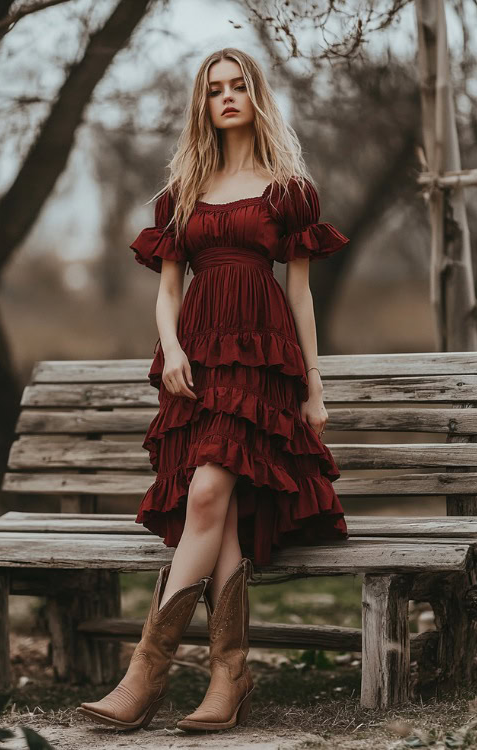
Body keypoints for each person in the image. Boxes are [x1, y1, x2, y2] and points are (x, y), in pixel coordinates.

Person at [77, 47, 350, 734]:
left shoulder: (289, 190)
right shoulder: (183, 192)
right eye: (214, 90)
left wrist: (314, 388)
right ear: (202, 104)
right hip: (197, 361)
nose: (226, 98)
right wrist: (169, 349)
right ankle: (229, 675)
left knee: (205, 493)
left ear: (256, 95)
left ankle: (145, 672)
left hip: (260, 362)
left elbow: (302, 298)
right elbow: (169, 293)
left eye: (238, 87)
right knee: (217, 510)